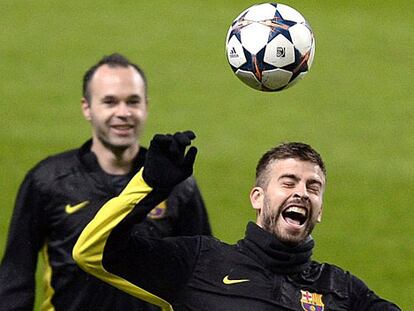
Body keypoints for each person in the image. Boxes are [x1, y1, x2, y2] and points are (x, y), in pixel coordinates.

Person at [73, 131, 401, 311]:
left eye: (312, 187)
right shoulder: (198, 263)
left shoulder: (342, 290)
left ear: (320, 209)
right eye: (288, 182)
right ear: (257, 197)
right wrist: (149, 186)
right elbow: (93, 252)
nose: (301, 192)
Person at [0, 55, 211, 311]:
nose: (123, 113)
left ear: (146, 105)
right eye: (110, 102)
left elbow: (202, 274)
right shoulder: (49, 180)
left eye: (132, 101)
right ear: (87, 107)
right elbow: (15, 275)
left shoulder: (176, 184)